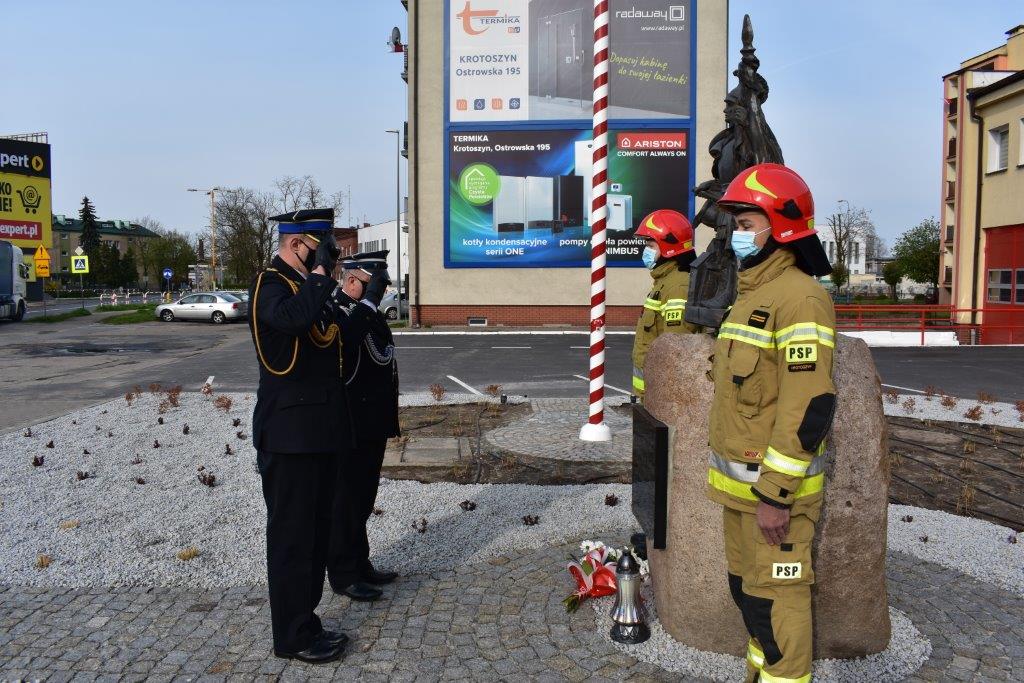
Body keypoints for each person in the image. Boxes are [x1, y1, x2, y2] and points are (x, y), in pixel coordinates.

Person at [707, 163, 836, 683]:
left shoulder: (801, 297)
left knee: (779, 602)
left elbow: (809, 405)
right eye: (734, 222)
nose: (736, 233)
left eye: (745, 221)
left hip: (773, 499)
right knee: (750, 596)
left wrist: (776, 493)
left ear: (780, 225)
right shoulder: (752, 296)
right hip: (740, 494)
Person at [248, 208, 351, 664]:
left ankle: (305, 621)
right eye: (318, 247)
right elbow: (292, 320)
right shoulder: (271, 285)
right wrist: (322, 275)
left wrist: (331, 281)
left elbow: (330, 329)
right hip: (288, 436)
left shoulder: (304, 286)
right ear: (296, 244)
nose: (322, 256)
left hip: (316, 432)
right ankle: (290, 637)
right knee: (291, 539)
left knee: (314, 533)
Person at [326, 251, 400, 602]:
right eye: (375, 284)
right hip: (350, 423)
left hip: (372, 423)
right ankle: (343, 573)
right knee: (345, 501)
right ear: (353, 280)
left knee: (364, 498)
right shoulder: (338, 312)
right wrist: (367, 306)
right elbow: (344, 348)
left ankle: (360, 562)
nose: (381, 292)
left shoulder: (365, 314)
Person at [631, 209, 702, 400]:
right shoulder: (664, 281)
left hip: (664, 395)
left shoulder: (678, 285)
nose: (646, 250)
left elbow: (676, 346)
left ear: (668, 245)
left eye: (650, 245)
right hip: (653, 392)